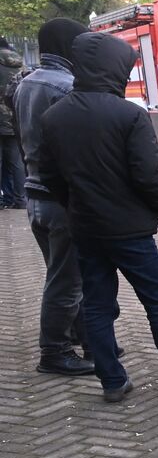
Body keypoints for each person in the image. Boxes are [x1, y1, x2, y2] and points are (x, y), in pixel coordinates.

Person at [37, 31, 158, 404]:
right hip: (130, 231)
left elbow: (49, 176)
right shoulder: (129, 115)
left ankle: (112, 381)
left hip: (86, 229)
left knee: (96, 305)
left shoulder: (54, 116)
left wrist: (75, 206)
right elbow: (148, 176)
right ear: (114, 69)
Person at [11, 19, 94, 375]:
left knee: (62, 273)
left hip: (34, 194)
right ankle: (55, 351)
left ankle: (88, 337)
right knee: (67, 280)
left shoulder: (23, 84)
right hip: (60, 199)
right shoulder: (68, 87)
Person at [0, 37, 27, 209]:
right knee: (16, 162)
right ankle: (20, 199)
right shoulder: (19, 63)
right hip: (14, 117)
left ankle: (2, 200)